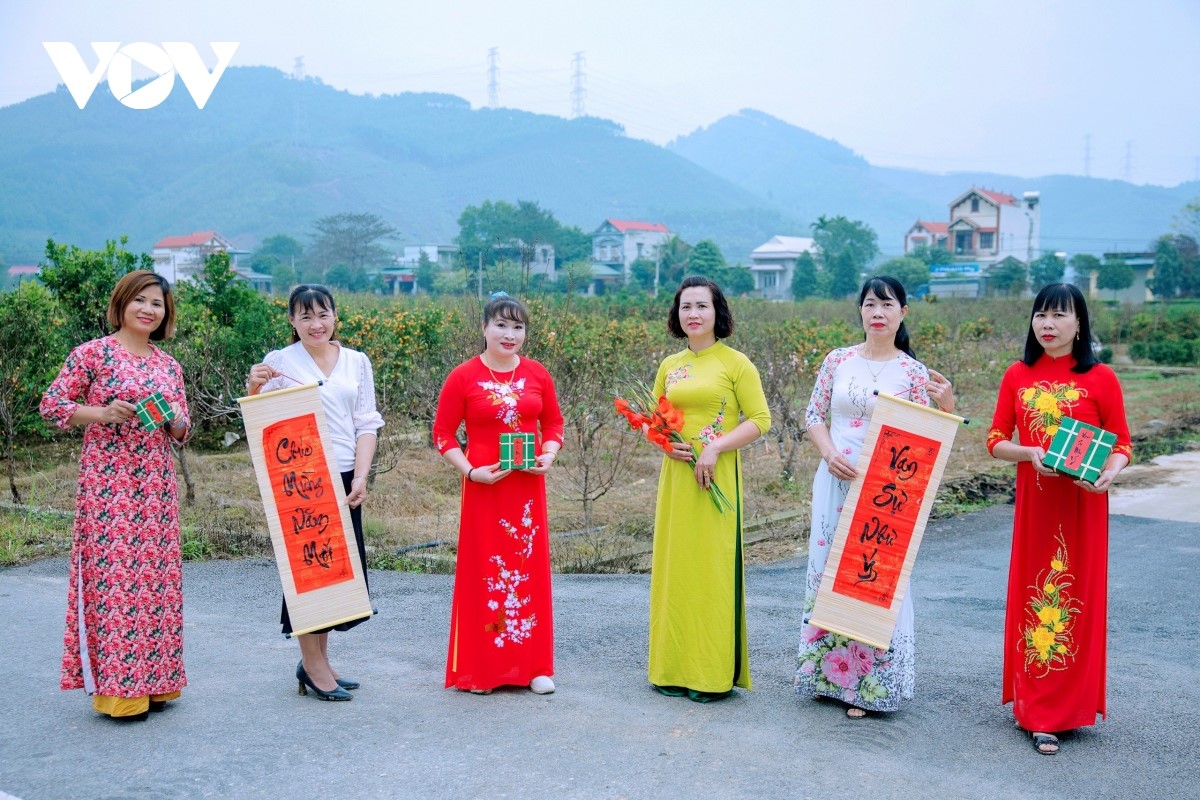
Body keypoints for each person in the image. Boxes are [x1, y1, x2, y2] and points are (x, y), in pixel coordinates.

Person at [794, 275, 955, 718]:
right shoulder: (838, 360)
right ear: (860, 311)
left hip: (885, 493)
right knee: (828, 571)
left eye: (887, 305)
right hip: (834, 480)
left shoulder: (914, 372)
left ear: (903, 312)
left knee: (872, 578)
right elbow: (813, 414)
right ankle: (826, 676)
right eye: (869, 304)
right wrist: (829, 454)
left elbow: (927, 437)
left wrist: (946, 405)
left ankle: (868, 686)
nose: (878, 313)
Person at [986, 283, 1131, 756]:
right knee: (1036, 597)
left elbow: (1122, 443)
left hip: (1083, 505)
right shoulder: (1017, 374)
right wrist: (1029, 452)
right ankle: (1038, 712)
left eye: (1059, 315)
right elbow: (995, 440)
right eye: (1040, 315)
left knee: (1078, 599)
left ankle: (1073, 708)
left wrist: (1110, 473)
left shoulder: (1102, 378)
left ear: (1079, 323)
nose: (1047, 324)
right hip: (1037, 504)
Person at [40, 270, 191, 721]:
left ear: (165, 314)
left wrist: (174, 419)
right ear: (122, 303)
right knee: (116, 583)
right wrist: (102, 413)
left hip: (156, 486)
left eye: (157, 303)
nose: (148, 309)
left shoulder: (169, 366)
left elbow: (182, 432)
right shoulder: (93, 354)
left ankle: (159, 683)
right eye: (140, 300)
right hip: (109, 486)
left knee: (158, 582)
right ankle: (121, 692)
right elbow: (52, 406)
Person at [246, 284, 384, 702]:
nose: (315, 324)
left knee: (335, 570)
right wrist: (253, 388)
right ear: (292, 321)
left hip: (344, 475)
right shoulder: (279, 361)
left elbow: (366, 423)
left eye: (322, 314)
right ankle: (312, 665)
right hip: (301, 479)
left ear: (335, 316)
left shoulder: (357, 362)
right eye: (305, 316)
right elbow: (262, 418)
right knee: (309, 571)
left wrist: (361, 476)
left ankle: (319, 661)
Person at [645, 275, 771, 702]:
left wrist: (715, 448)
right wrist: (665, 444)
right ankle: (671, 668)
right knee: (675, 570)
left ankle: (710, 673)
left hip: (716, 479)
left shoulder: (736, 363)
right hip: (677, 480)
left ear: (718, 312)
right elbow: (652, 421)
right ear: (676, 315)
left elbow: (760, 419)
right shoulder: (669, 365)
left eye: (702, 305)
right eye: (686, 306)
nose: (693, 314)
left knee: (711, 573)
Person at [432, 292, 563, 695]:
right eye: (501, 325)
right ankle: (484, 669)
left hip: (526, 491)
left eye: (517, 327)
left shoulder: (538, 374)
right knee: (486, 573)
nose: (510, 334)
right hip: (484, 490)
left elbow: (554, 424)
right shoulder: (463, 376)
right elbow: (442, 434)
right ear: (484, 328)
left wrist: (548, 454)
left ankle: (534, 667)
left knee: (527, 572)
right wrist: (470, 472)